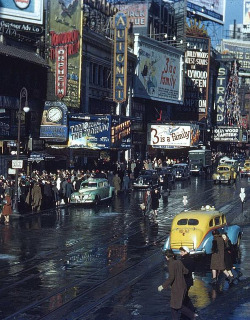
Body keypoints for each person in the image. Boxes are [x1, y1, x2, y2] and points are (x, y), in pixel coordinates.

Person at [158, 249, 197, 320]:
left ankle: (192, 315)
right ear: (173, 255)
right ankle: (191, 314)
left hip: (177, 288)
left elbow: (171, 277)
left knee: (176, 306)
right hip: (183, 285)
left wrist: (163, 286)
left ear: (167, 257)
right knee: (175, 306)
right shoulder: (178, 262)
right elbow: (186, 271)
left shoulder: (170, 264)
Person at [179, 246, 196, 313]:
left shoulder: (182, 261)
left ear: (186, 252)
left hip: (184, 281)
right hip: (189, 280)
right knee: (185, 296)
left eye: (181, 252)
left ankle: (188, 310)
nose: (180, 253)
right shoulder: (191, 260)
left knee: (183, 296)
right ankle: (191, 309)